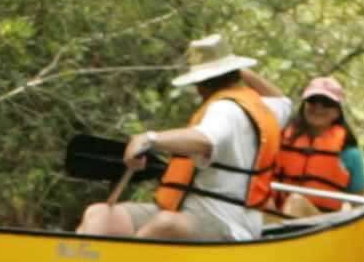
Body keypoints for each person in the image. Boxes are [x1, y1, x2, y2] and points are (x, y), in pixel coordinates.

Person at [75, 34, 291, 244]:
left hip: (227, 224)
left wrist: (150, 138)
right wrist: (239, 68)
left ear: (199, 84)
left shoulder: (224, 109)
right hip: (185, 209)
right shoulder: (265, 107)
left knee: (166, 225)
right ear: (235, 72)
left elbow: (204, 140)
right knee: (100, 215)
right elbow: (283, 100)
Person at [269, 77, 364, 218]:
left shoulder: (349, 153)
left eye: (326, 103)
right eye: (312, 101)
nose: (318, 107)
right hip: (275, 219)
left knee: (296, 201)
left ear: (337, 112)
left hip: (320, 227)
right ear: (304, 106)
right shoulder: (280, 139)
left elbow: (360, 206)